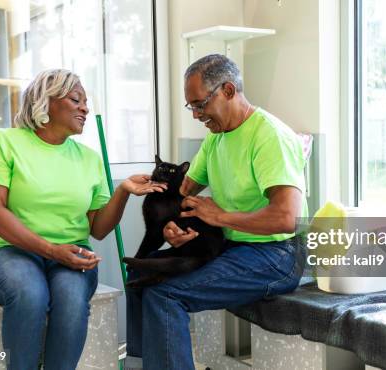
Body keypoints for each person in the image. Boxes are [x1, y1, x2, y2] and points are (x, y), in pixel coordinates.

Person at [0, 69, 166, 370]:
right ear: (44, 102)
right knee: (30, 296)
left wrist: (123, 191)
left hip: (72, 252)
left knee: (72, 302)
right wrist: (50, 250)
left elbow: (99, 229)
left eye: (86, 102)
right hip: (13, 251)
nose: (85, 108)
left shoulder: (89, 159)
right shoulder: (2, 142)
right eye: (76, 99)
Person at [125, 54, 308, 370]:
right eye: (191, 107)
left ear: (227, 90)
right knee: (140, 272)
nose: (196, 115)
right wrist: (175, 228)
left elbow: (286, 218)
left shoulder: (269, 136)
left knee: (165, 295)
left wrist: (220, 217)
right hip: (233, 247)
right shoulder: (216, 138)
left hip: (276, 255)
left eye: (200, 104)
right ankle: (144, 363)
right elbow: (184, 193)